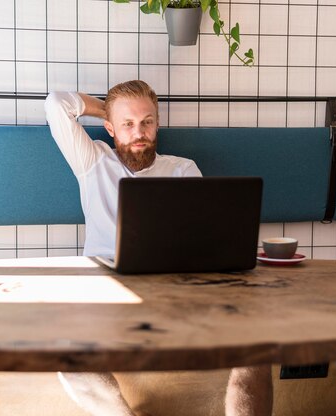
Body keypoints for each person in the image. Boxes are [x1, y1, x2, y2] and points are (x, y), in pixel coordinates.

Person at [45, 80, 273, 416]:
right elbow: (56, 103)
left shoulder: (183, 169)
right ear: (109, 128)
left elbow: (204, 236)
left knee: (257, 340)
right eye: (127, 123)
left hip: (175, 290)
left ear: (158, 123)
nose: (139, 132)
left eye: (147, 122)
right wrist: (105, 107)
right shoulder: (93, 160)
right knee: (64, 348)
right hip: (105, 292)